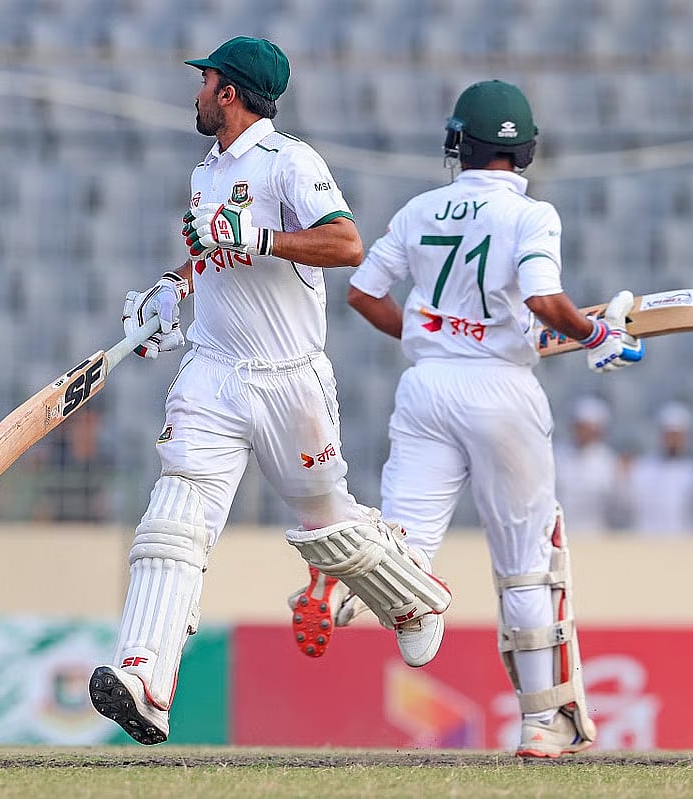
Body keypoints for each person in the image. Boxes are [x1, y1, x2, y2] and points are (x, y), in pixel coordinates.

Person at [88, 36, 451, 746]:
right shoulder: (205, 173)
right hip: (213, 372)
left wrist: (257, 235)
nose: (196, 91)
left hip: (290, 380)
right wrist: (173, 289)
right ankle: (144, 678)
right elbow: (210, 251)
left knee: (329, 529)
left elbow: (344, 244)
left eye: (206, 81)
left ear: (228, 93)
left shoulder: (292, 162)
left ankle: (414, 599)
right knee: (175, 516)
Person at [343, 80, 644, 758]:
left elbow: (363, 293)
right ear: (527, 150)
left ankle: (352, 581)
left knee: (405, 545)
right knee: (526, 566)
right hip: (503, 391)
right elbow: (541, 299)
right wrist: (598, 338)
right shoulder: (531, 215)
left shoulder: (420, 208)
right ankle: (542, 725)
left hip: (425, 387)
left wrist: (432, 338)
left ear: (460, 143)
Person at [615, 401, 693, 535]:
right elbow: (624, 507)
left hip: (682, 548)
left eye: (677, 435)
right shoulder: (642, 469)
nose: (673, 440)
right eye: (670, 434)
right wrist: (622, 478)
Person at [553, 395, 622, 533]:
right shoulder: (557, 455)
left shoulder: (609, 461)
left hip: (596, 535)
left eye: (587, 428)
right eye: (579, 427)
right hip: (562, 534)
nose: (582, 432)